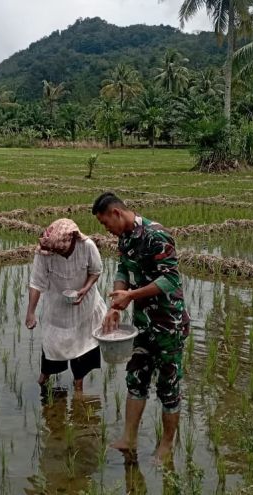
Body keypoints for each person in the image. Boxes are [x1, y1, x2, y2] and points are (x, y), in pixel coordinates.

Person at [92, 192, 190, 463]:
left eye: (105, 223)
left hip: (168, 324)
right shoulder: (125, 238)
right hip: (143, 325)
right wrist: (115, 304)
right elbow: (124, 270)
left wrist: (131, 297)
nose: (106, 230)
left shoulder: (156, 235)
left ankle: (167, 445)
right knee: (136, 379)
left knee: (168, 386)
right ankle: (128, 439)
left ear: (116, 213)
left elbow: (170, 280)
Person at [25, 218, 107, 394]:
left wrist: (85, 289)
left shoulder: (87, 246)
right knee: (52, 348)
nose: (60, 254)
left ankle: (79, 390)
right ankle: (43, 382)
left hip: (85, 307)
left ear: (73, 240)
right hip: (57, 309)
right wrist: (30, 312)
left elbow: (96, 271)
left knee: (82, 350)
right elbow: (36, 283)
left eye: (62, 250)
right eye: (56, 251)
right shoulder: (45, 252)